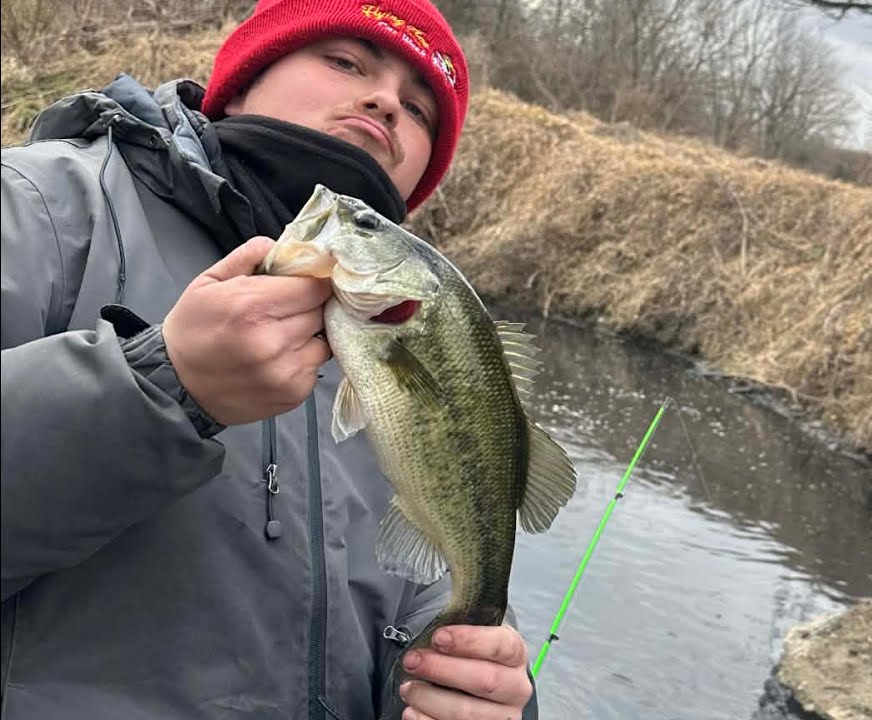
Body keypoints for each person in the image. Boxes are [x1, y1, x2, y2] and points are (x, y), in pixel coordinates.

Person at [0, 1, 538, 719]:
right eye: (345, 62)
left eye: (419, 111)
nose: (384, 102)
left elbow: (414, 599)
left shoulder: (391, 323)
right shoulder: (39, 205)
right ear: (244, 79)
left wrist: (472, 694)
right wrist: (164, 385)